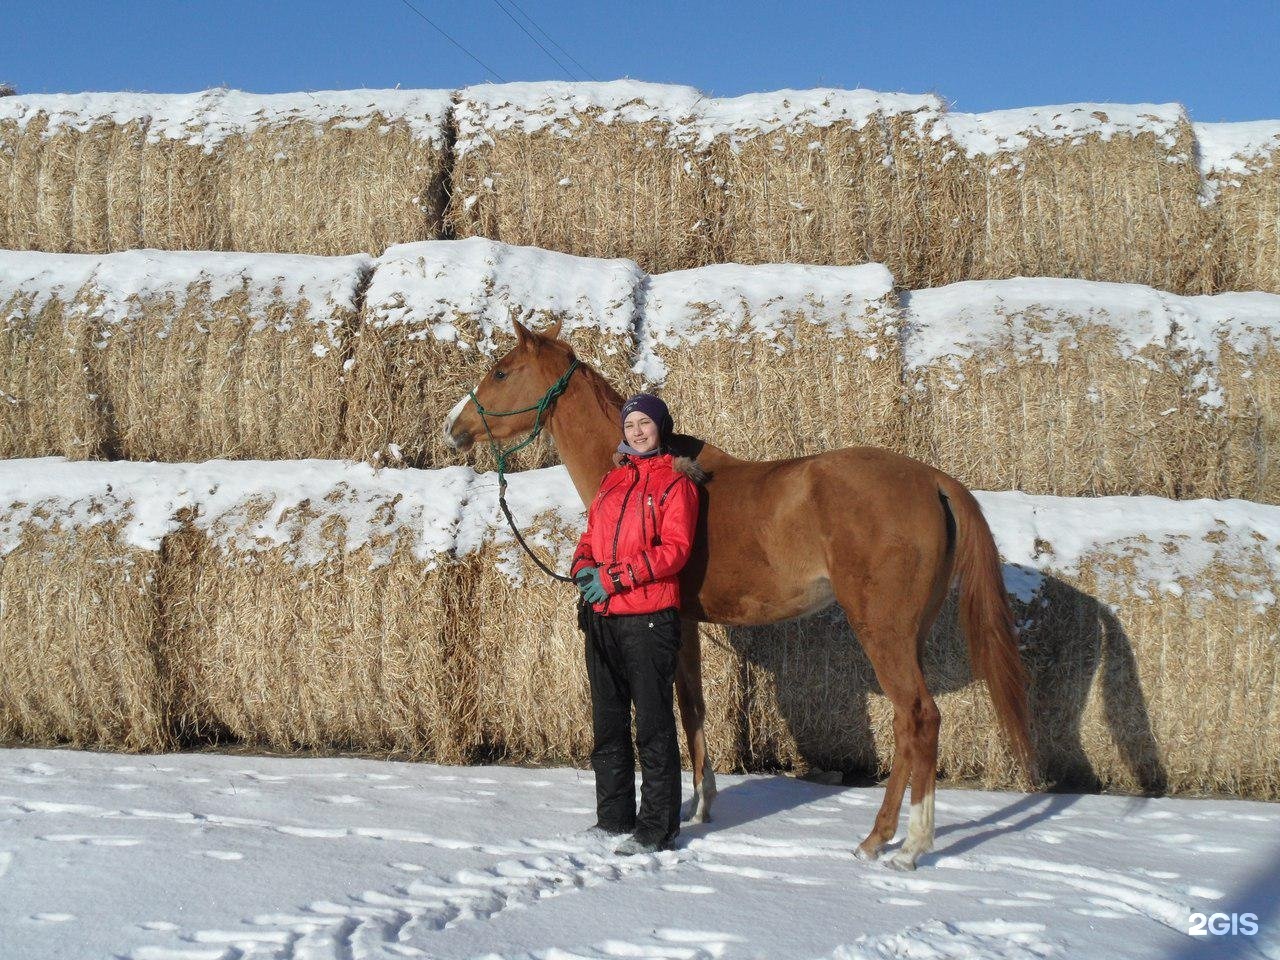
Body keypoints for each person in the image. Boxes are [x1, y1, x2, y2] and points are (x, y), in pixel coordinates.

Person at [570, 393, 700, 855]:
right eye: (630, 425)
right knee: (607, 722)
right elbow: (590, 535)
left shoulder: (675, 482)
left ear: (661, 428)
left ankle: (657, 827)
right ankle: (613, 817)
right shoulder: (612, 480)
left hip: (648, 617)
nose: (637, 431)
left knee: (652, 724)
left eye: (646, 423)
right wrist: (583, 567)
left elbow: (675, 551)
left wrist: (614, 577)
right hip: (602, 617)